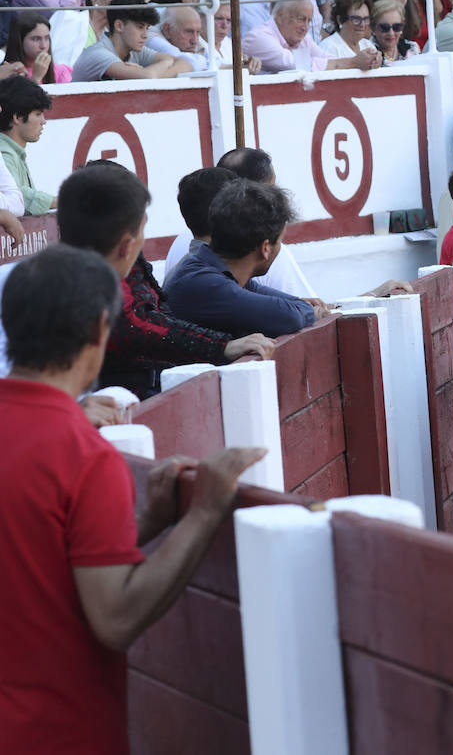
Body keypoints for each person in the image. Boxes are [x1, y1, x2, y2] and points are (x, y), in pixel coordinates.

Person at [0, 242, 266, 754]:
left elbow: (41, 554)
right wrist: (203, 512)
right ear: (101, 331)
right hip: (53, 732)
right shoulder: (80, 453)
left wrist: (145, 521)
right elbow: (115, 619)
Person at [55, 163, 276, 397]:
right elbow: (136, 325)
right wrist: (222, 346)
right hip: (124, 396)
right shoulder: (92, 274)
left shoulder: (86, 266)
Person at [164, 179, 326, 337]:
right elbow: (290, 317)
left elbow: (288, 305)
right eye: (279, 241)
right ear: (265, 249)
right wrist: (308, 311)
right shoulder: (205, 282)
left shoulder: (213, 269)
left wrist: (302, 307)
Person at [245, 0, 380, 72]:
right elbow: (293, 64)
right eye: (301, 19)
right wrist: (354, 62)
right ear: (280, 16)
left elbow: (326, 57)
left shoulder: (302, 38)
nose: (305, 27)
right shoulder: (260, 37)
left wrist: (370, 59)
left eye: (309, 21)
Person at [72, 0, 190, 81]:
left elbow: (186, 64)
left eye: (147, 28)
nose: (145, 35)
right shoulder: (98, 54)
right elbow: (148, 77)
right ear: (119, 25)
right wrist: (166, 63)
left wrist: (158, 70)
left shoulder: (136, 51)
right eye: (139, 27)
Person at [0, 76, 55, 216]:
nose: (43, 121)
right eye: (38, 114)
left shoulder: (12, 151)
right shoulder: (5, 153)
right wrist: (66, 200)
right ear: (17, 117)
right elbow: (16, 197)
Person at [4, 14, 73, 84]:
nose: (43, 45)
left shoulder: (60, 71)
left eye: (46, 38)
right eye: (36, 39)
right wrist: (36, 78)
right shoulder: (8, 72)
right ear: (19, 41)